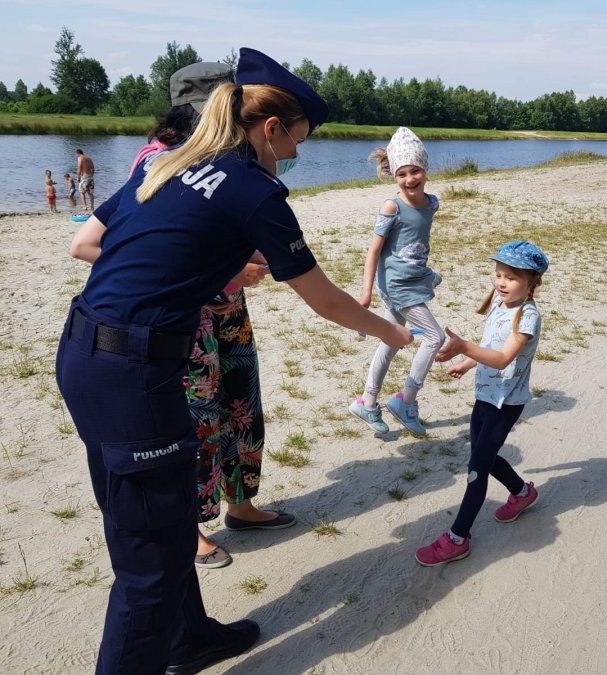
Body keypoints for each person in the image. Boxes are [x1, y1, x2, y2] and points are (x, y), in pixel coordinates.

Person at [58, 47, 413, 675]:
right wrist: (391, 332)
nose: (297, 155)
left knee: (159, 525)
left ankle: (186, 638)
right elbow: (325, 299)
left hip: (88, 352)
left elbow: (110, 243)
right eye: (295, 140)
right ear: (269, 128)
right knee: (147, 562)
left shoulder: (172, 161)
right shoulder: (255, 189)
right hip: (132, 375)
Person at [124, 62, 285, 571]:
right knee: (198, 416)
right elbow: (143, 247)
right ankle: (189, 528)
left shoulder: (222, 157)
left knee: (240, 399)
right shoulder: (158, 159)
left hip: (228, 306)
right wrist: (235, 262)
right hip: (186, 315)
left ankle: (240, 505)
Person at [415, 240, 549, 566]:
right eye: (499, 274)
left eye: (512, 277)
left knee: (476, 468)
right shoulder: (499, 306)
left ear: (532, 283)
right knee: (482, 457)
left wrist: (463, 347)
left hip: (506, 403)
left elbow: (503, 358)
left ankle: (457, 538)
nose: (502, 282)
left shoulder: (527, 317)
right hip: (484, 396)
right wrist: (469, 363)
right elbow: (491, 346)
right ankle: (521, 492)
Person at [348, 127, 445, 437]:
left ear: (425, 170)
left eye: (415, 171)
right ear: (394, 176)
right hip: (399, 287)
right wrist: (366, 294)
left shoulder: (431, 204)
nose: (409, 179)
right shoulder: (392, 207)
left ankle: (368, 401)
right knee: (434, 337)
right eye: (402, 173)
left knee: (390, 342)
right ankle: (406, 401)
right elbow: (374, 250)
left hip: (413, 281)